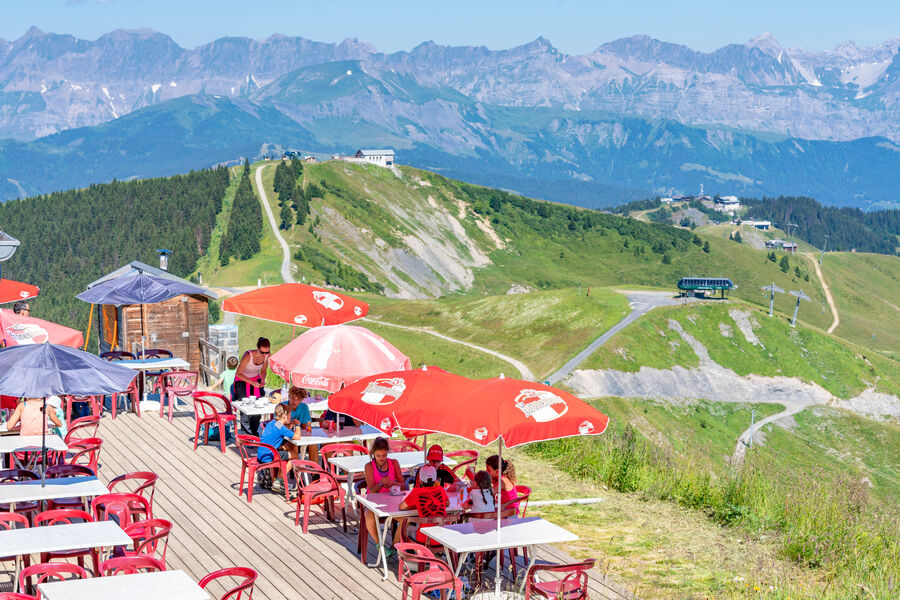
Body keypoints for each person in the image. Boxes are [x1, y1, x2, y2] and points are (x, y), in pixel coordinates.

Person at [362, 437, 406, 560]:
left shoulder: (394, 463)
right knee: (368, 514)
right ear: (373, 454)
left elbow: (403, 485)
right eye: (378, 456)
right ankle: (379, 544)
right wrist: (381, 483)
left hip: (393, 502)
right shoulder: (369, 466)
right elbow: (372, 490)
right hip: (375, 502)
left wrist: (391, 483)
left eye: (384, 455)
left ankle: (392, 548)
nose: (381, 458)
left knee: (405, 520)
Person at [257, 403, 301, 496]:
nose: (290, 417)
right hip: (269, 456)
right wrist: (297, 425)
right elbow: (297, 437)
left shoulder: (272, 423)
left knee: (288, 447)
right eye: (289, 415)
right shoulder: (281, 428)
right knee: (294, 456)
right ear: (284, 416)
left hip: (262, 453)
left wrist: (287, 427)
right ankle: (279, 481)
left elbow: (277, 432)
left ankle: (280, 478)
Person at [399, 465, 450, 543]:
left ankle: (416, 552)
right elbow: (447, 503)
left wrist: (415, 505)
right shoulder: (441, 489)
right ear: (435, 479)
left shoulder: (416, 492)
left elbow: (401, 507)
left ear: (420, 480)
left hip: (425, 538)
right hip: (443, 537)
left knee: (407, 529)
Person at [235, 337, 270, 435]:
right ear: (257, 348)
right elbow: (238, 373)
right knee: (246, 406)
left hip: (255, 379)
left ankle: (254, 432)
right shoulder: (248, 355)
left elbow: (263, 370)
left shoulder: (267, 356)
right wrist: (251, 382)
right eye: (262, 352)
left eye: (266, 352)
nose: (264, 355)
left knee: (258, 406)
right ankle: (246, 433)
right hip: (242, 379)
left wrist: (262, 379)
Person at [282, 386, 317, 462]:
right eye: (293, 398)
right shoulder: (282, 406)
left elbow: (306, 427)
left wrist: (306, 423)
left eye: (298, 400)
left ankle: (316, 473)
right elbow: (278, 425)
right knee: (294, 446)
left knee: (313, 444)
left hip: (298, 436)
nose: (294, 401)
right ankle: (296, 471)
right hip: (285, 438)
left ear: (301, 400)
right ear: (289, 396)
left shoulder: (304, 407)